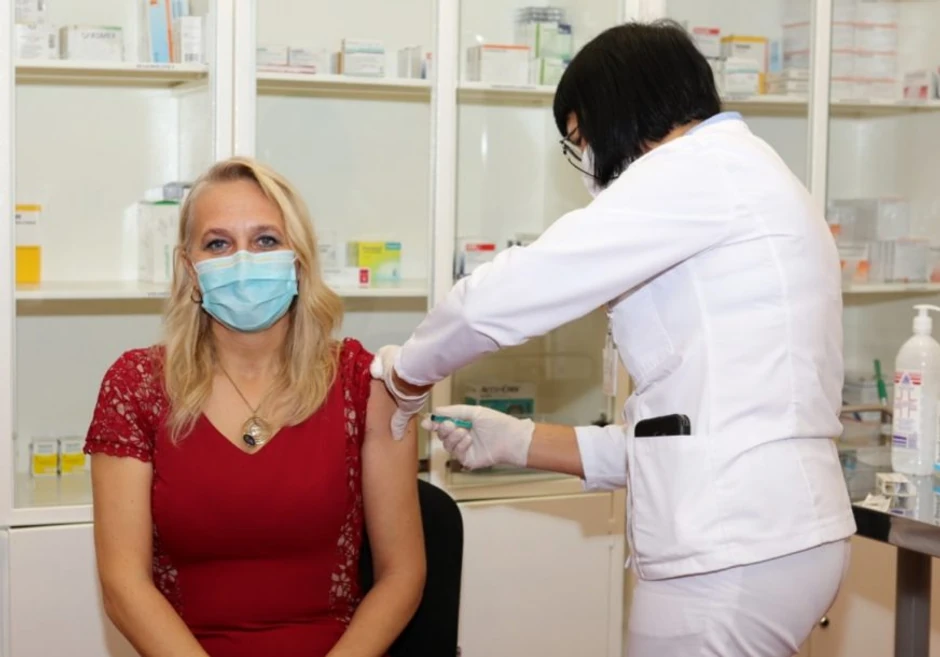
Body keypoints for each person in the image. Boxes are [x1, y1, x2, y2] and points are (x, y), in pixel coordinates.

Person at [371, 20, 855, 657]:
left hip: (733, 544)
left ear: (622, 111)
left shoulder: (695, 170)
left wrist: (406, 372)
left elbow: (510, 294)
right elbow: (676, 433)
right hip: (770, 534)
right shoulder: (745, 174)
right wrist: (518, 440)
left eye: (583, 139)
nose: (589, 164)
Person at [84, 157, 425, 657]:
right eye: (218, 244)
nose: (243, 261)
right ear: (190, 269)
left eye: (266, 240)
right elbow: (123, 586)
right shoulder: (136, 387)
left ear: (299, 259)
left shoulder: (363, 384)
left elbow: (402, 575)